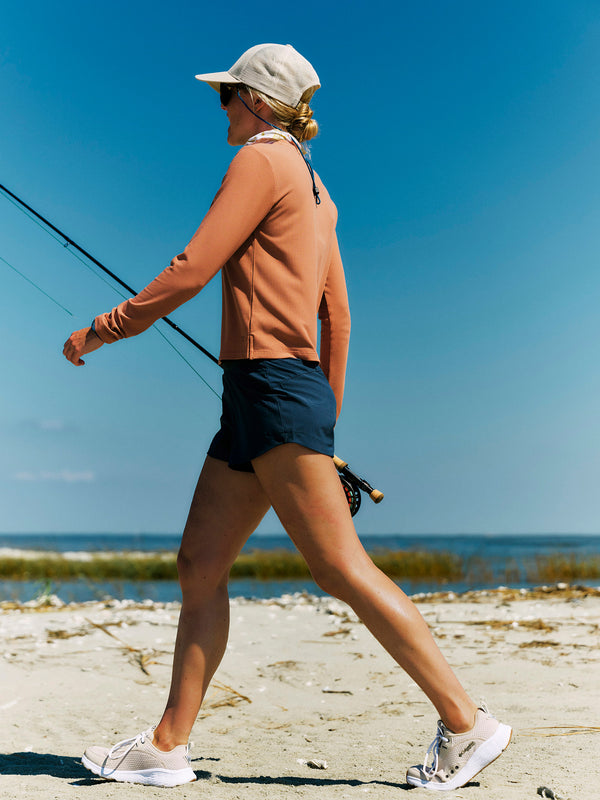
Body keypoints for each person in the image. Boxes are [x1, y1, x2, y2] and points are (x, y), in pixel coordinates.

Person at [63, 43, 511, 791]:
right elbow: (338, 317)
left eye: (226, 94)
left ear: (256, 102)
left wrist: (103, 330)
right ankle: (167, 746)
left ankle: (468, 725)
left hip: (272, 390)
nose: (221, 108)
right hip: (266, 396)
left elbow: (192, 267)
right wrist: (325, 423)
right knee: (200, 564)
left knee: (339, 567)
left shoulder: (262, 161)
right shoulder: (315, 187)